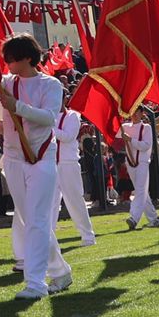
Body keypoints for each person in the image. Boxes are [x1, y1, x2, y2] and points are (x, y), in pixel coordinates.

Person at [0, 35, 67, 299]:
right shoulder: (5, 83)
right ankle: (60, 271)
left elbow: (49, 118)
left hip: (42, 158)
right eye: (6, 58)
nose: (8, 63)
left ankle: (35, 283)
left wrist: (18, 107)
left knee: (37, 220)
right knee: (30, 220)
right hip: (13, 158)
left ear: (27, 57)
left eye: (12, 58)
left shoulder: (51, 84)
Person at [51, 97, 97, 247]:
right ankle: (47, 240)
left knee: (75, 201)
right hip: (51, 164)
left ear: (64, 100)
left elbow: (68, 136)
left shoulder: (73, 116)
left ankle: (88, 236)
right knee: (50, 204)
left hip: (68, 163)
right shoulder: (49, 116)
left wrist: (49, 128)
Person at [119, 104, 159, 229]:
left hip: (142, 162)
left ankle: (134, 217)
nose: (134, 115)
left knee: (140, 190)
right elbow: (113, 134)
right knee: (142, 192)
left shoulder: (146, 128)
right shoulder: (125, 127)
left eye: (137, 112)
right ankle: (154, 218)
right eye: (132, 112)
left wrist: (130, 140)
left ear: (142, 113)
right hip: (130, 163)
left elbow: (146, 146)